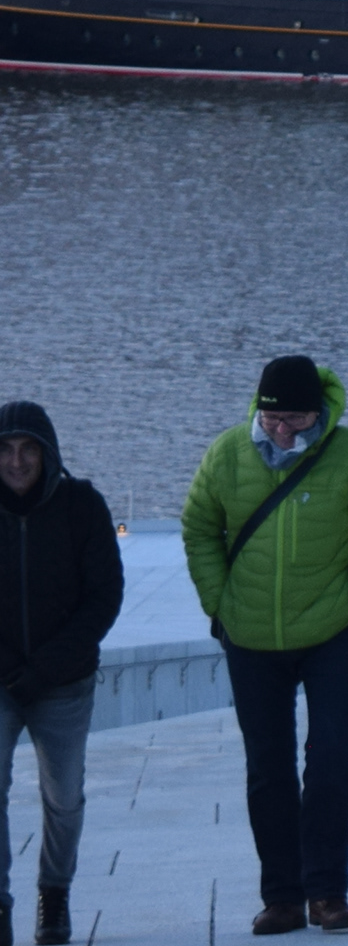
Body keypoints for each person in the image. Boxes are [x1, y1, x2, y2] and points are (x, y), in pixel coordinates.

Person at [179, 355, 348, 937]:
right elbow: (199, 525)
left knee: (330, 758)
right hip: (249, 635)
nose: (283, 430)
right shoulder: (227, 453)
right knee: (268, 767)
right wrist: (219, 602)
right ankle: (281, 896)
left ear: (320, 413)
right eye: (273, 417)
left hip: (332, 632)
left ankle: (328, 893)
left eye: (297, 419)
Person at [0, 402, 121, 946]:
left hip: (64, 682)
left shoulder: (82, 506)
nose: (16, 461)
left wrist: (46, 667)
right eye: (5, 449)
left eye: (28, 450)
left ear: (48, 455)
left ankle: (55, 892)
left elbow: (103, 598)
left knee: (63, 796)